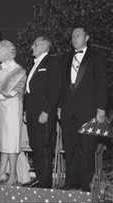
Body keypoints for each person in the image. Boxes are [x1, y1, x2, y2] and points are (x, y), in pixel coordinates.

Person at [59, 27, 108, 192]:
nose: (74, 38)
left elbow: (102, 85)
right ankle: (71, 181)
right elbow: (61, 86)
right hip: (67, 111)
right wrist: (59, 106)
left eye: (78, 35)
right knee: (70, 146)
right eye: (72, 35)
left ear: (87, 38)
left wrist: (101, 109)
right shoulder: (66, 58)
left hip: (88, 110)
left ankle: (86, 184)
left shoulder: (97, 58)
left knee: (87, 148)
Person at [22, 36, 62, 188]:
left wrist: (46, 111)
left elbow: (55, 89)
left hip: (43, 113)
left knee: (44, 147)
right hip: (32, 112)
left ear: (45, 46)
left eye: (36, 44)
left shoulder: (52, 62)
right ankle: (39, 178)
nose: (32, 47)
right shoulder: (34, 64)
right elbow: (29, 91)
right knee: (35, 146)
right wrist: (26, 110)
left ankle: (46, 183)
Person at [0, 40, 26, 186]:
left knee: (12, 142)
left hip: (13, 108)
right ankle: (2, 173)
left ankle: (13, 175)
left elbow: (13, 91)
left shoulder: (18, 70)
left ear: (5, 53)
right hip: (2, 108)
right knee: (3, 141)